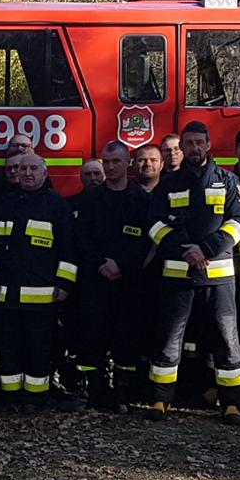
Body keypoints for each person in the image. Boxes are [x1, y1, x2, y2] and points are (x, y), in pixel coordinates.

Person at [143, 122, 240, 423]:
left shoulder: (228, 181)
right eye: (187, 144)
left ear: (208, 143)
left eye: (198, 142)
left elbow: (239, 222)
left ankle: (231, 402)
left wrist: (206, 249)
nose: (193, 148)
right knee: (169, 338)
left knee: (227, 339)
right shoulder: (168, 184)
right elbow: (154, 224)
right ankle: (160, 399)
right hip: (177, 276)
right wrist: (183, 250)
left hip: (218, 277)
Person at [0, 152, 77, 412]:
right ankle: (10, 397)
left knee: (39, 349)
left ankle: (35, 398)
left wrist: (65, 284)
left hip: (42, 297)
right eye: (23, 169)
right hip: (7, 294)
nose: (28, 173)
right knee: (9, 347)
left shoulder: (57, 205)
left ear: (45, 174)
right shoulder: (2, 204)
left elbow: (68, 249)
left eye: (34, 169)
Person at [67, 141, 150, 409]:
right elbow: (81, 238)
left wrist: (121, 265)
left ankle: (123, 394)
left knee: (126, 339)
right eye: (107, 161)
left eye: (116, 161)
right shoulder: (90, 199)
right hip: (95, 280)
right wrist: (102, 264)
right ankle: (94, 392)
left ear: (128, 163)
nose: (111, 167)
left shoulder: (142, 200)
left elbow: (147, 241)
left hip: (128, 282)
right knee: (92, 337)